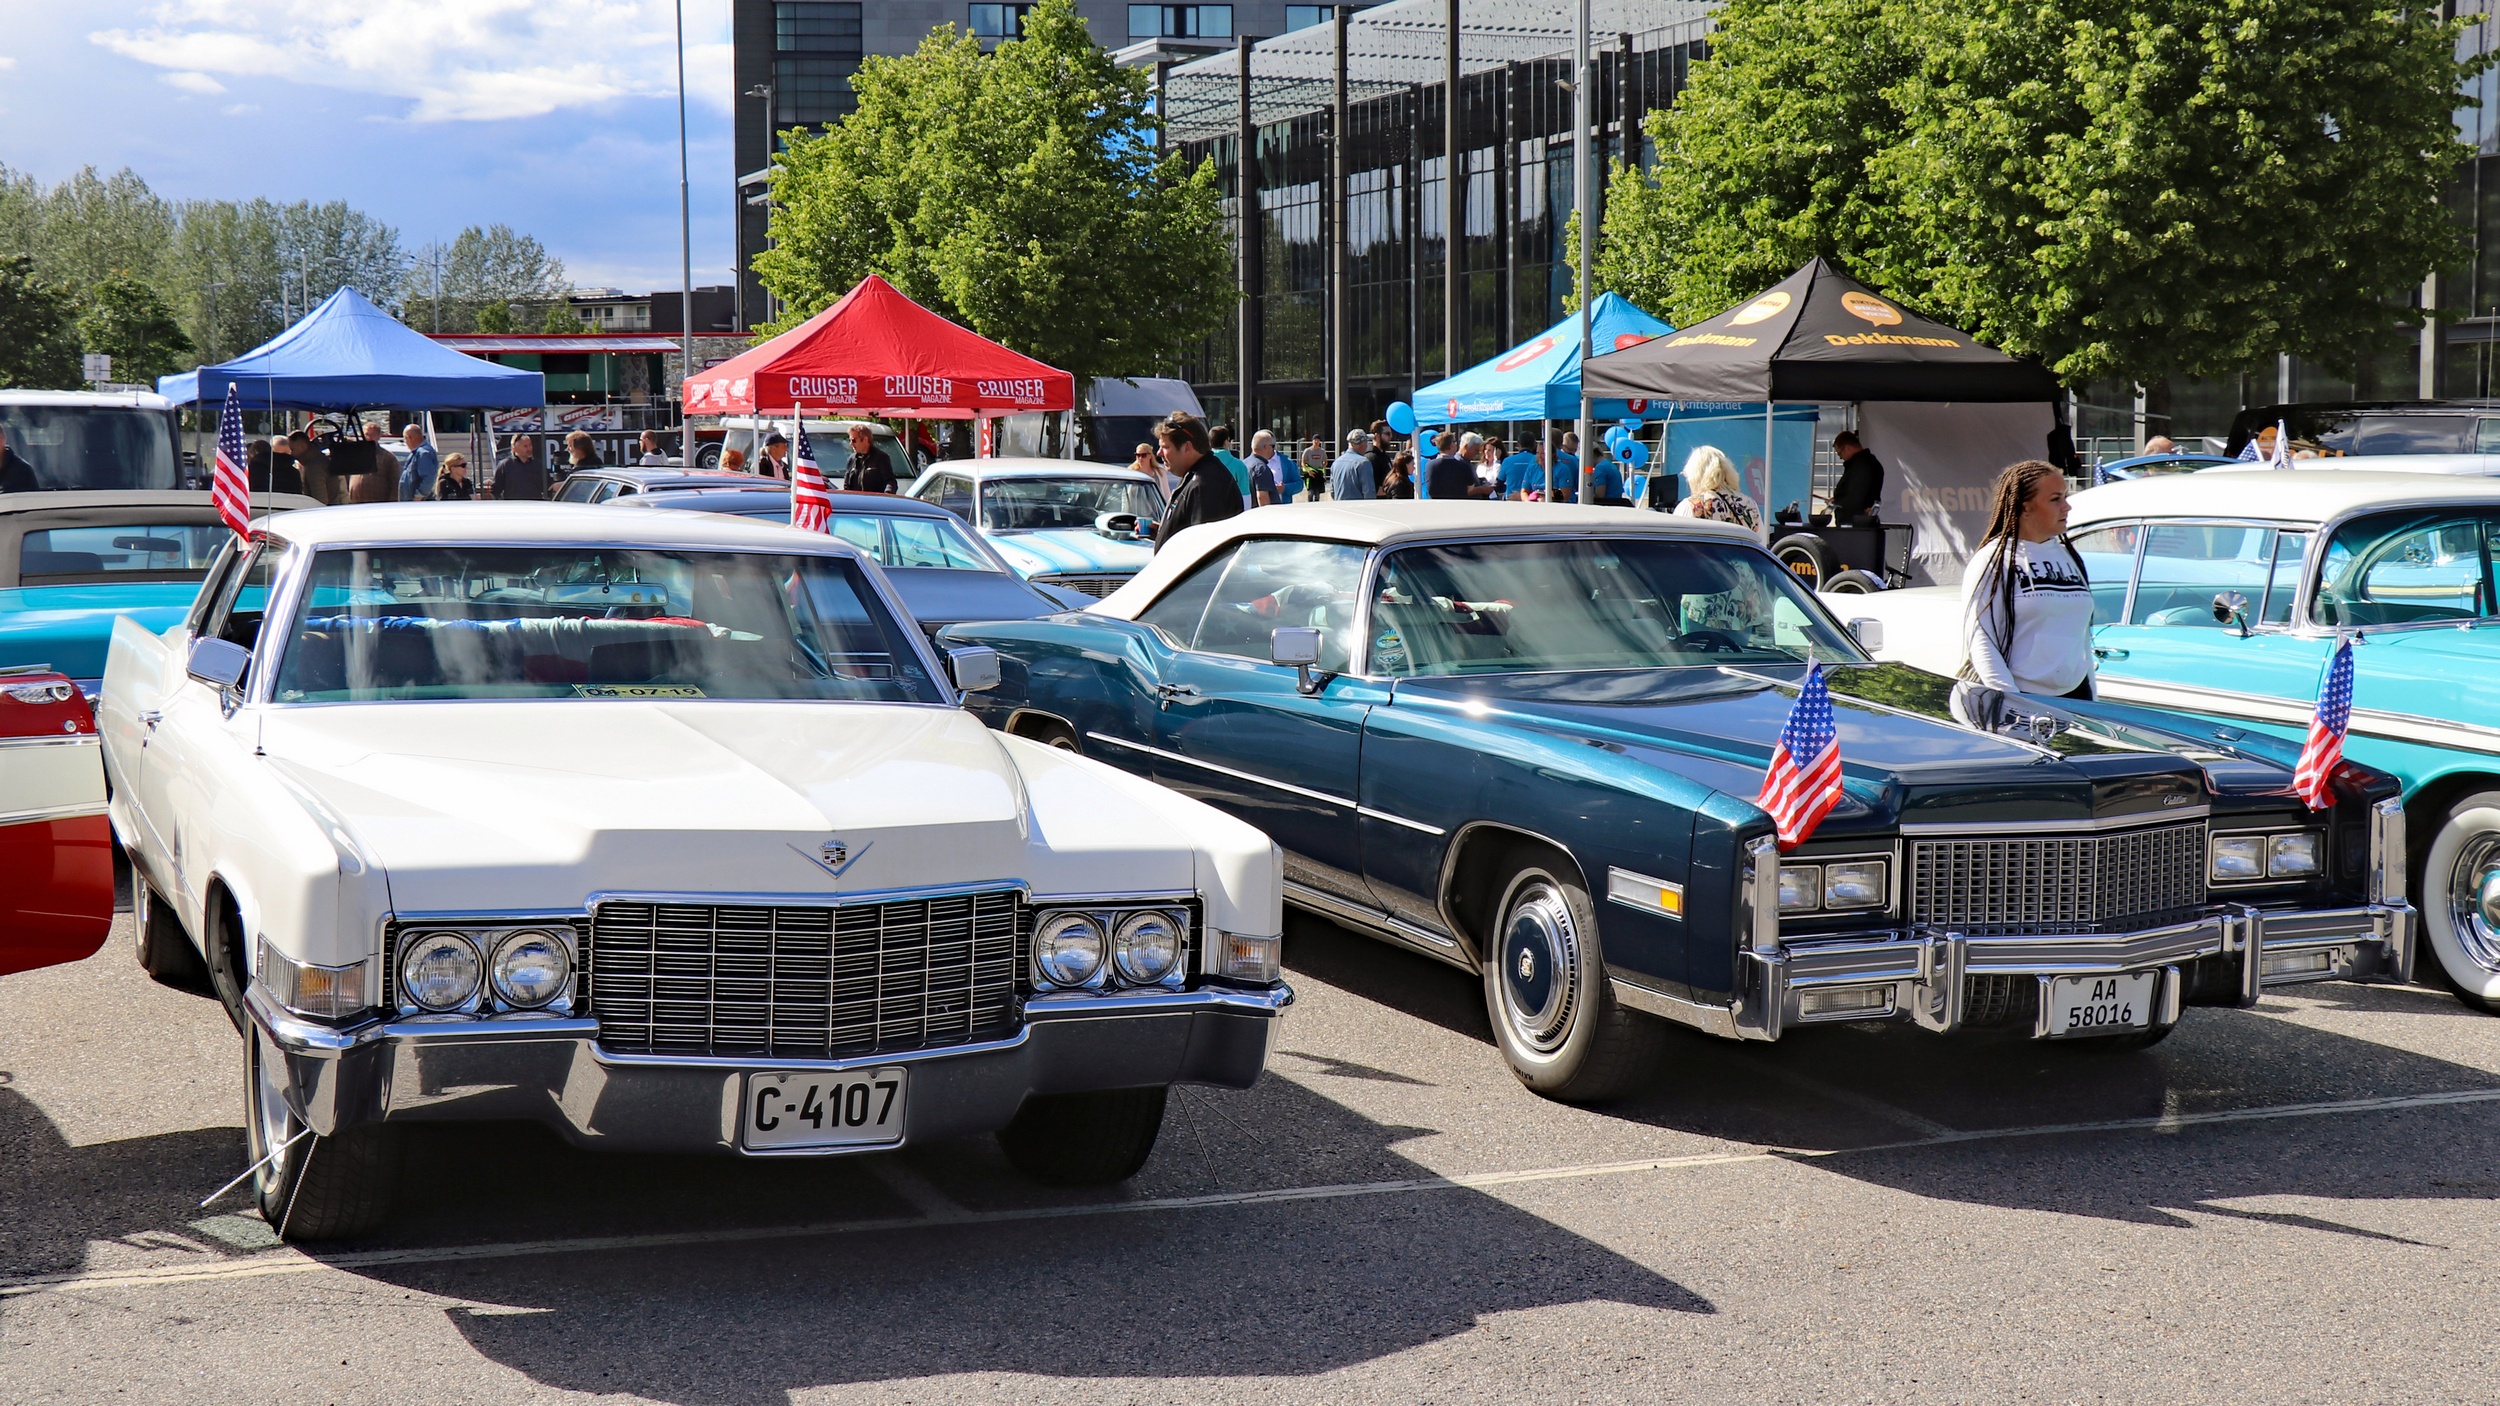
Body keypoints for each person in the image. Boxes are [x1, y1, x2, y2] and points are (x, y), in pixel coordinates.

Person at [1959, 459, 2093, 700]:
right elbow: (1980, 639)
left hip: (2075, 696)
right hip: (2021, 697)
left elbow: (2082, 639)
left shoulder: (2069, 557)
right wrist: (2012, 703)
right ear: (2024, 508)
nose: (2067, 507)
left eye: (2065, 496)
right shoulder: (1992, 560)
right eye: (2055, 499)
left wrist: (2093, 699)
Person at [1151, 413, 1241, 551]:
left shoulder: (1205, 484)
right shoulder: (1198, 475)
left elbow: (1204, 549)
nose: (1159, 453)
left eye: (1166, 447)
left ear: (1187, 447)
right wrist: (1164, 532)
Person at [1674, 446, 1764, 539]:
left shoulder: (1690, 506)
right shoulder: (1750, 504)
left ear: (1695, 476)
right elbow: (1761, 542)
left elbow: (1677, 543)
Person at [1829, 431, 1884, 525]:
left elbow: (1856, 497)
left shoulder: (1861, 466)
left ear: (1847, 448)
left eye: (1839, 454)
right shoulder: (1868, 462)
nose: (1841, 458)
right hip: (1861, 522)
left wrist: (1838, 501)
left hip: (1856, 524)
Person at [1426, 431, 1488, 500]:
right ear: (1451, 445)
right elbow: (1469, 490)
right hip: (1459, 504)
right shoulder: (1462, 466)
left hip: (1436, 504)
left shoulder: (1429, 465)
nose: (1478, 453)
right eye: (1454, 442)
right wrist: (1482, 489)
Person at [841, 424, 898, 493]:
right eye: (849, 440)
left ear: (865, 439)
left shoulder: (881, 457)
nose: (851, 444)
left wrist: (887, 495)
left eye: (854, 440)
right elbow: (846, 485)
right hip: (854, 499)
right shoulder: (852, 459)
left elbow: (890, 481)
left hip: (874, 499)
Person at [1248, 429, 1300, 504]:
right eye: (1272, 446)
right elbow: (1262, 497)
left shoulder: (1287, 462)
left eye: (1273, 446)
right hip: (1264, 508)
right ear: (1266, 447)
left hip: (1282, 506)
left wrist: (1285, 488)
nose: (1273, 448)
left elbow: (1299, 484)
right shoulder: (1259, 466)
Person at [492, 434, 549, 500]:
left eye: (530, 445)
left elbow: (548, 487)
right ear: (514, 449)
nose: (529, 449)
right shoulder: (505, 466)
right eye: (525, 446)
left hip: (535, 505)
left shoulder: (538, 465)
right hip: (513, 505)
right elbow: (496, 489)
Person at [1209, 425, 1252, 508]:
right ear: (1226, 442)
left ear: (1210, 443)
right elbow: (1245, 497)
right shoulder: (1239, 465)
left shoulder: (1202, 465)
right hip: (1232, 512)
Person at [1328, 428, 1376, 501]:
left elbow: (1332, 492)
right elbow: (1369, 493)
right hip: (1358, 507)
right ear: (1362, 443)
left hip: (1340, 506)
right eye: (1366, 442)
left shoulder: (1336, 462)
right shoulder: (1363, 463)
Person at [396, 424, 439, 502]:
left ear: (409, 438)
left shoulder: (423, 453)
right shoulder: (418, 452)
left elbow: (428, 478)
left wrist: (419, 496)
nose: (405, 442)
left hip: (418, 503)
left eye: (405, 439)